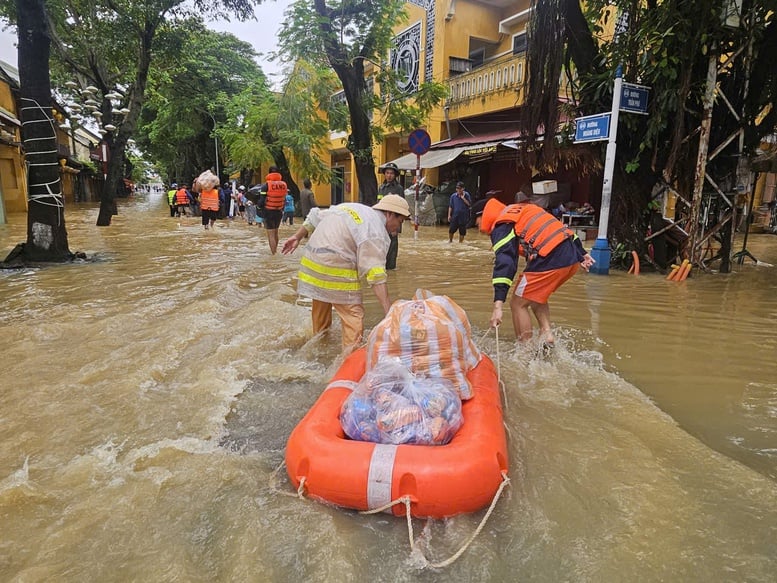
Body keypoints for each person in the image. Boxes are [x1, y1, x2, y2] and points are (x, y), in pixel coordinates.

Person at [281, 194, 411, 353]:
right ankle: (349, 357)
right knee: (353, 315)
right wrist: (389, 312)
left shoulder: (354, 208)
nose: (398, 228)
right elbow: (376, 275)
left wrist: (297, 236)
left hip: (312, 262)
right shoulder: (375, 230)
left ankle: (319, 347)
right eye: (400, 222)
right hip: (336, 265)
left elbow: (315, 215)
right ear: (390, 214)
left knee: (322, 304)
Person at [477, 194, 595, 347]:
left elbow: (506, 263)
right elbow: (557, 227)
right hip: (571, 257)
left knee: (517, 303)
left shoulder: (502, 225)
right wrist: (582, 253)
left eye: (476, 223)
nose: (479, 228)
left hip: (551, 259)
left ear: (483, 215)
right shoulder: (522, 209)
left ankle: (525, 351)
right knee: (535, 294)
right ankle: (547, 334)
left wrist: (498, 305)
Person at [378, 162, 404, 270]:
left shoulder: (398, 189)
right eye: (387, 173)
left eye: (391, 173)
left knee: (392, 249)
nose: (389, 175)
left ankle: (391, 268)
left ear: (395, 175)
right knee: (381, 247)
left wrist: (397, 227)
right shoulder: (381, 188)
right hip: (382, 223)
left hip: (393, 223)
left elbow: (401, 209)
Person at [258, 166, 287, 254]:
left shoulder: (266, 185)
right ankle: (276, 251)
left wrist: (258, 206)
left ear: (269, 174)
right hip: (279, 211)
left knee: (270, 234)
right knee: (276, 233)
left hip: (268, 211)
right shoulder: (284, 185)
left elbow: (262, 201)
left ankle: (273, 254)